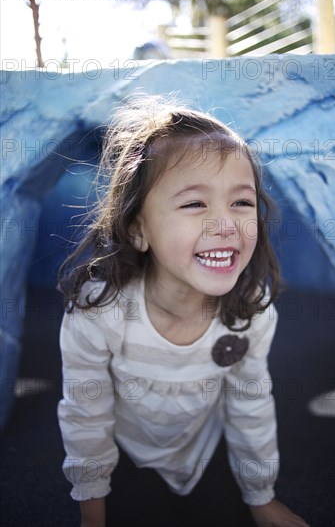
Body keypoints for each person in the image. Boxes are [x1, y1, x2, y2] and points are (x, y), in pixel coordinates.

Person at [57, 94, 310, 527]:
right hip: (127, 455)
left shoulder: (250, 314)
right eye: (195, 204)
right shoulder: (98, 314)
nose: (225, 224)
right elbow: (86, 411)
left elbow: (250, 403)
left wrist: (260, 497)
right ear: (138, 229)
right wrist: (92, 513)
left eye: (241, 202)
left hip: (206, 450)